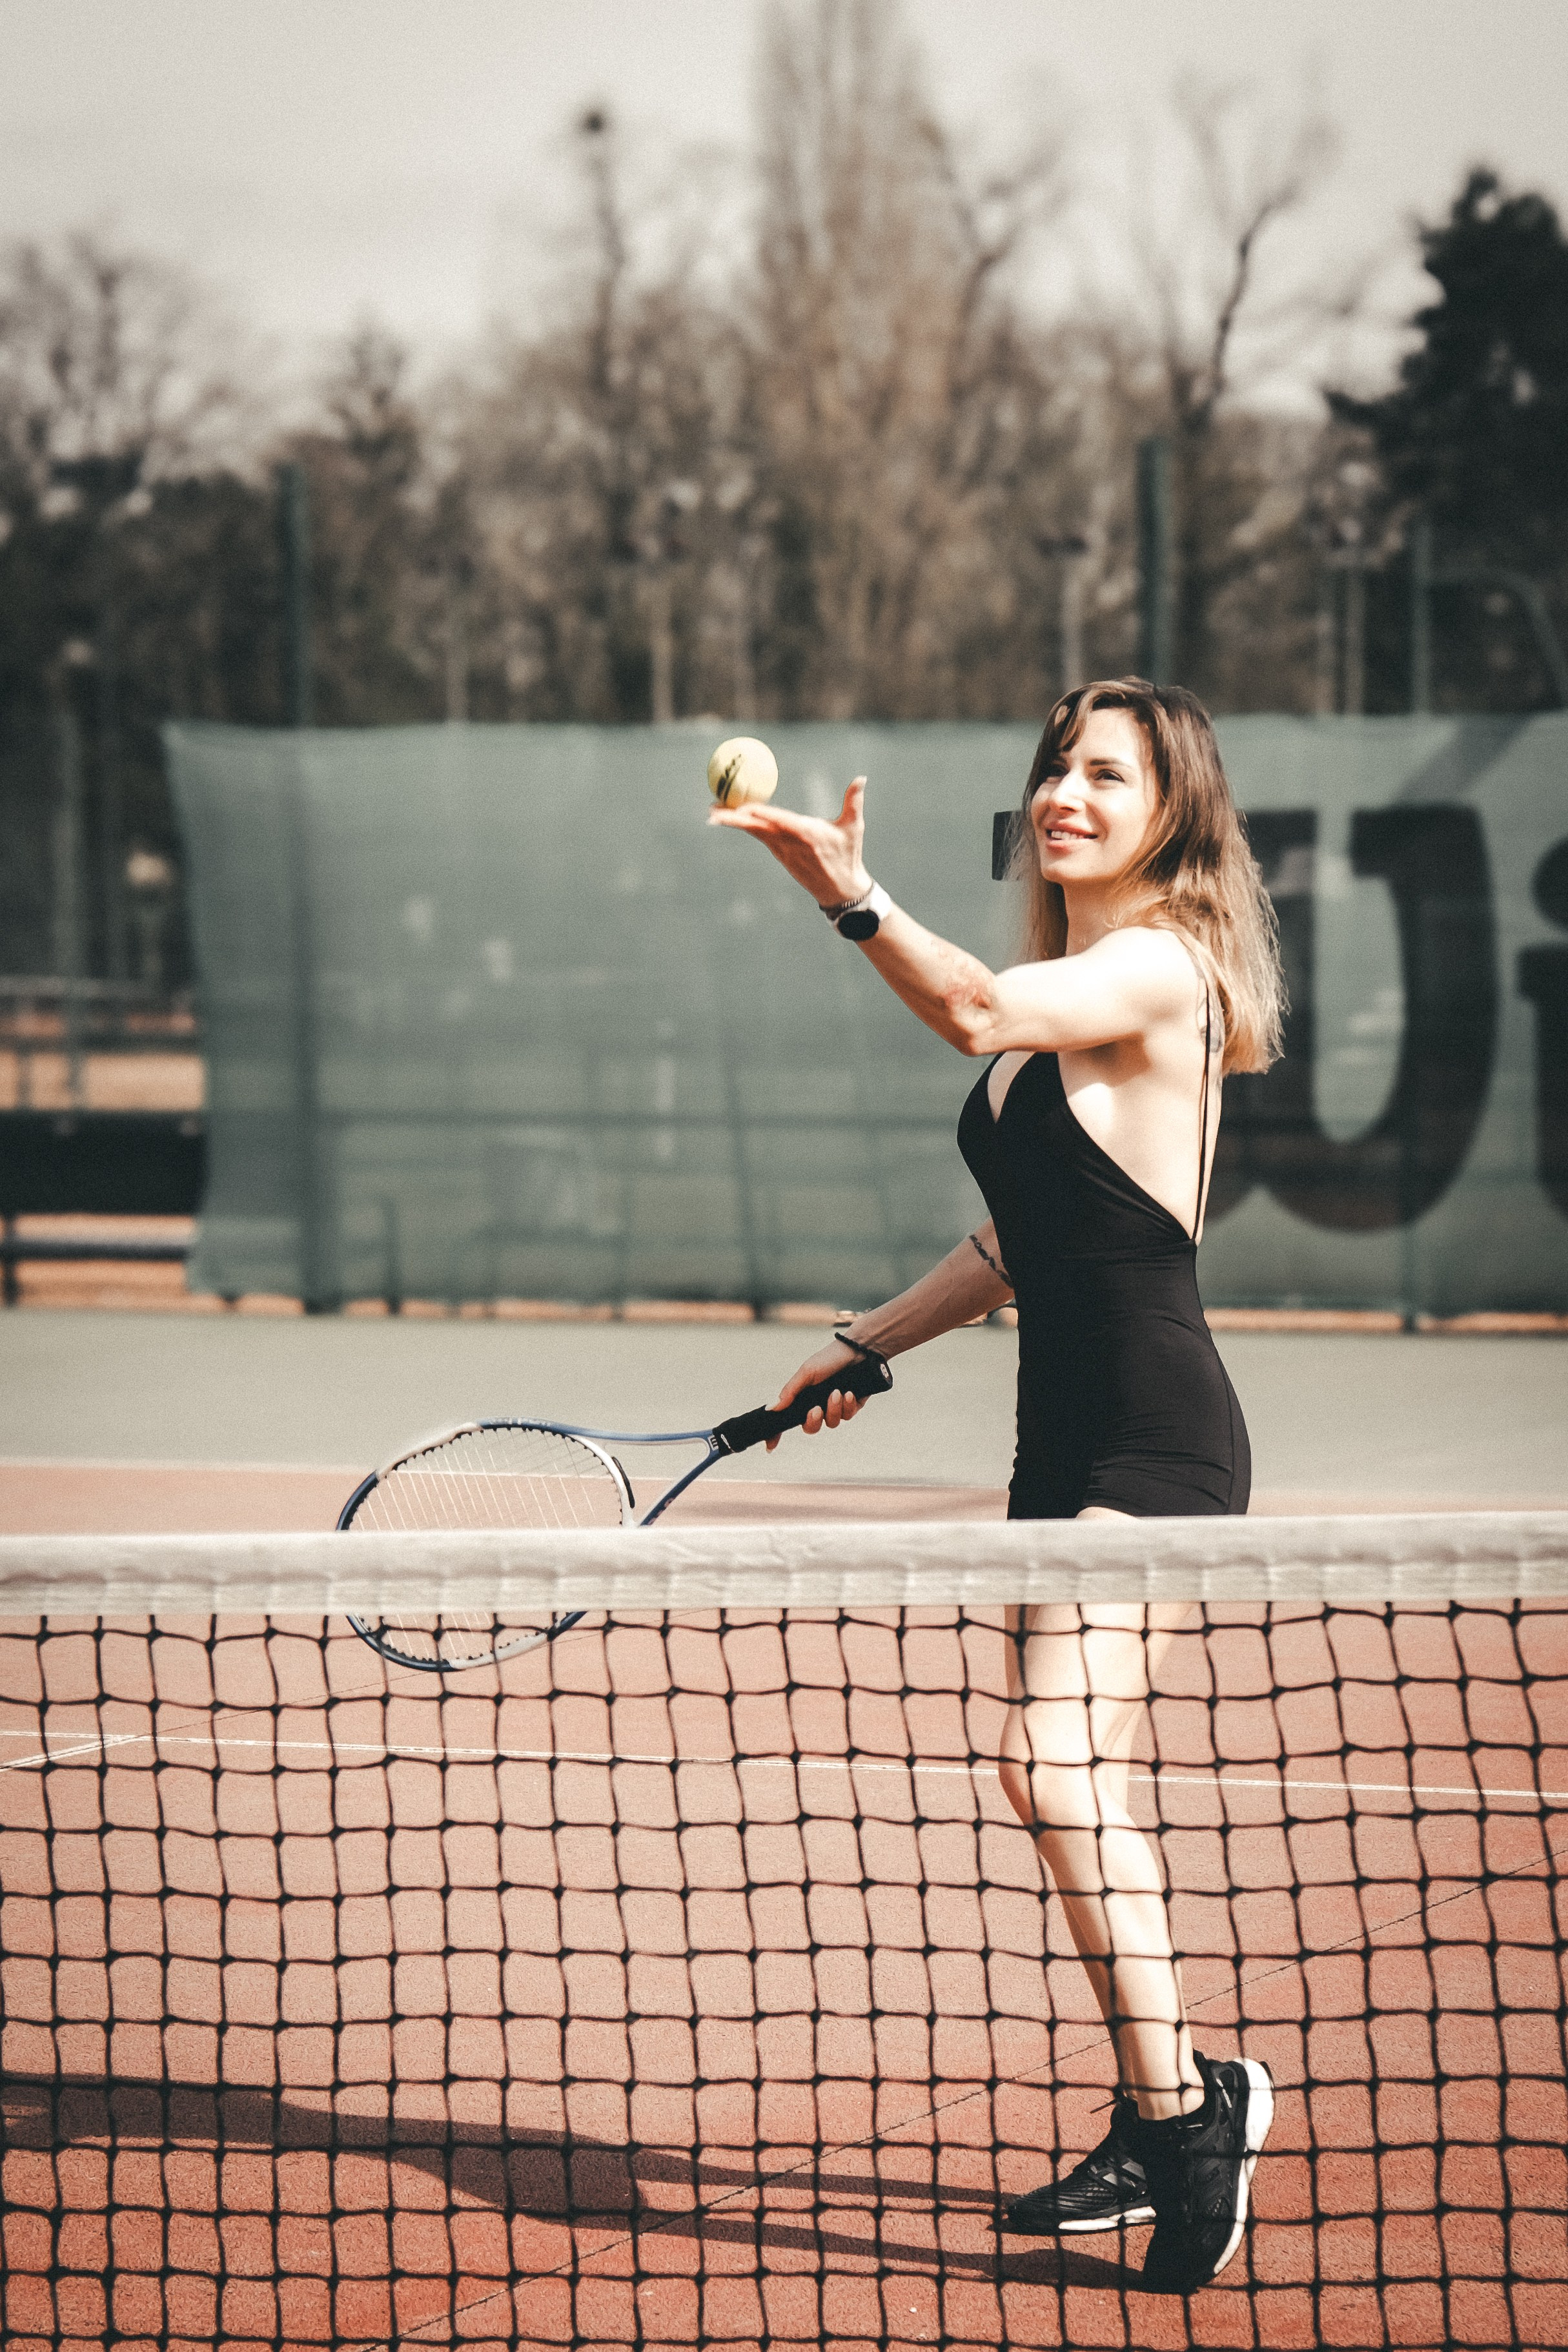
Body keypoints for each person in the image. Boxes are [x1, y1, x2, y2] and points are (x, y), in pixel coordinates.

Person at [709, 677, 1285, 2296]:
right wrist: (864, 1343)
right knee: (1073, 1785)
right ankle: (1169, 2096)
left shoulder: (1159, 968)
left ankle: (1186, 2132)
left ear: (1173, 808)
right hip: (1056, 1442)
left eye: (1108, 772)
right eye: (1057, 766)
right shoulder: (1063, 998)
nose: (1067, 792)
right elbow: (1012, 1243)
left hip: (1161, 1442)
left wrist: (846, 892)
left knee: (1046, 1762)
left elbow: (964, 1008)